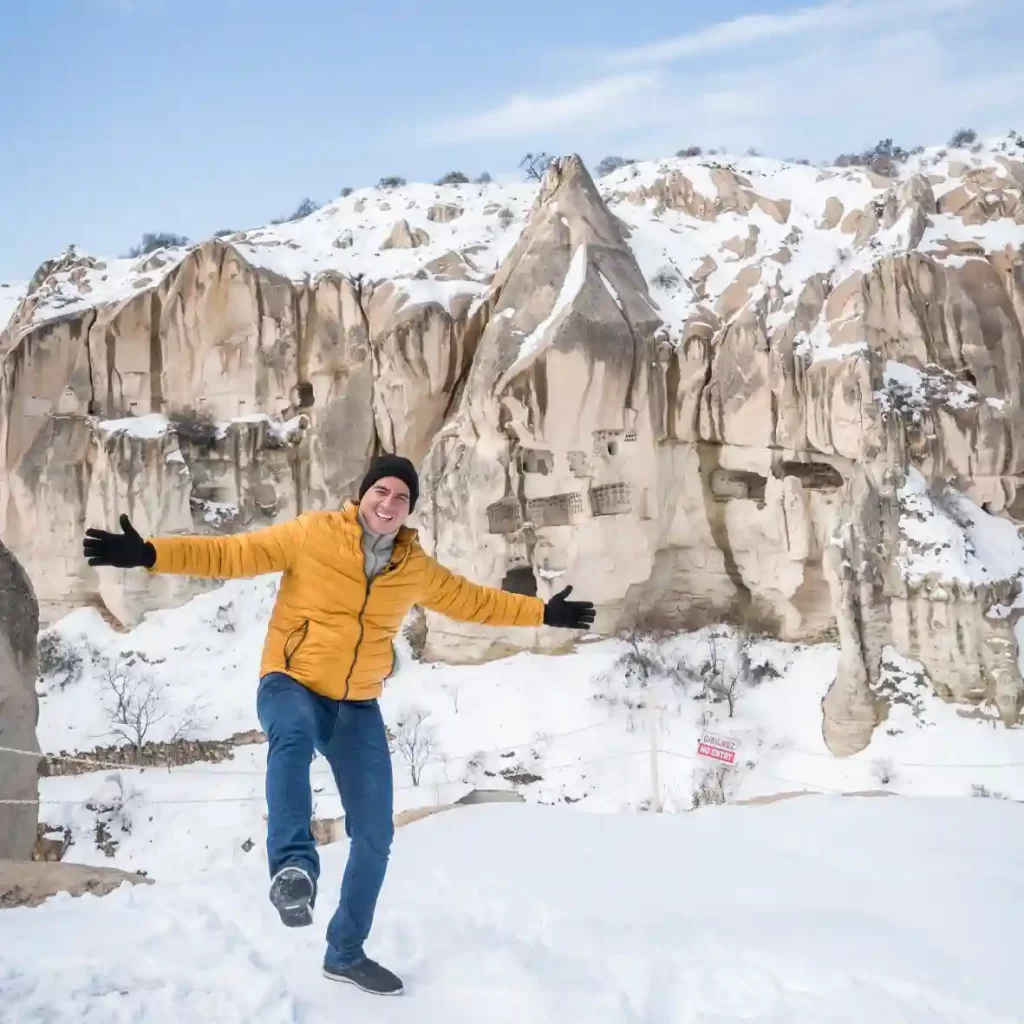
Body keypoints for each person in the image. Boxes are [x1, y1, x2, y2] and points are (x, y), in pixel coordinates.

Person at [82, 453, 595, 997]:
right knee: (292, 737)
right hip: (291, 682)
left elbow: (472, 601)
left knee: (375, 834)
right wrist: (149, 553)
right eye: (382, 491)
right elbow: (232, 554)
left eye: (402, 497)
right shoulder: (313, 534)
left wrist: (543, 613)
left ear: (410, 509)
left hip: (356, 705)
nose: (389, 504)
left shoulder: (413, 567)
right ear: (363, 493)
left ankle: (346, 952)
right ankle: (293, 871)